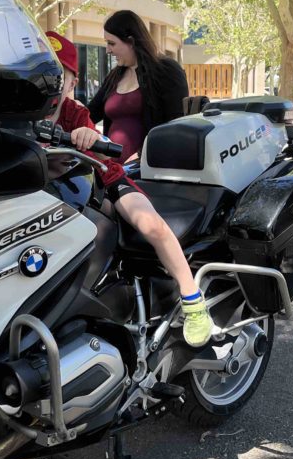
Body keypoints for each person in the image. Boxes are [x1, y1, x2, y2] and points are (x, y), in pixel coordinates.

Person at [45, 31, 212, 347]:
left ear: (70, 81)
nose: (51, 82)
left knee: (152, 225)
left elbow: (88, 129)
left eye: (58, 74)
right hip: (55, 194)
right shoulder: (23, 118)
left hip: (104, 179)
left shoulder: (73, 112)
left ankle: (193, 300)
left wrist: (85, 134)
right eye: (44, 72)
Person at [86, 11, 188, 163]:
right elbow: (90, 114)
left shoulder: (166, 70)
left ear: (131, 41)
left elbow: (175, 124)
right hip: (112, 171)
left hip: (148, 171)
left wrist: (141, 156)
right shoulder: (115, 76)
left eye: (112, 43)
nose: (107, 50)